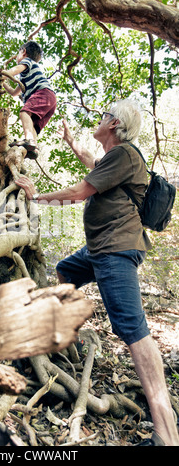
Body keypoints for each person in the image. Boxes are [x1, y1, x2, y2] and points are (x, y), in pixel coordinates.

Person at [15, 99, 179, 446]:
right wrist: (73, 144)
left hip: (115, 250)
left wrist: (35, 197)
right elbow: (94, 166)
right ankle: (62, 337)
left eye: (105, 115)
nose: (100, 118)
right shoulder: (115, 160)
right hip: (98, 250)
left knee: (133, 331)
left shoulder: (126, 154)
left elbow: (80, 191)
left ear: (116, 125)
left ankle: (167, 433)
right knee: (64, 271)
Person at [3, 41, 56, 159]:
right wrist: (2, 83)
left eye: (18, 53)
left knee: (24, 112)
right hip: (49, 99)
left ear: (24, 52)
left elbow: (14, 70)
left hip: (43, 93)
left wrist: (0, 74)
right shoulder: (25, 77)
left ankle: (29, 140)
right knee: (32, 125)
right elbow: (13, 92)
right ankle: (34, 149)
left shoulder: (27, 61)